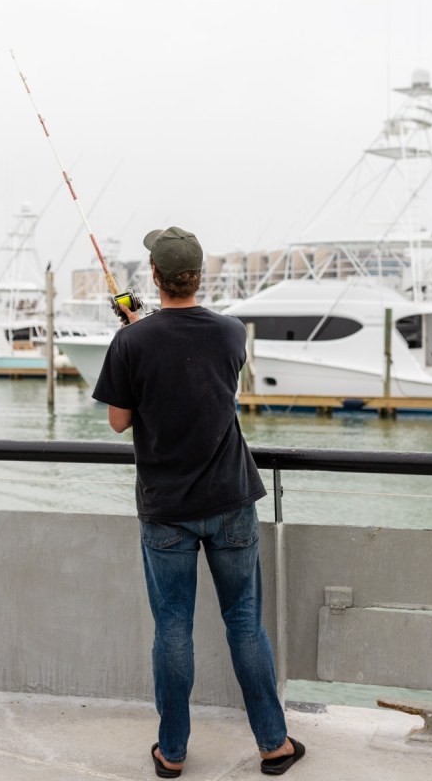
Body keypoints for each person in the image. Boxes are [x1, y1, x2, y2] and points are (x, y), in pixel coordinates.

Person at [92, 226, 305, 777]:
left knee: (172, 628)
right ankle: (274, 743)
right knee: (244, 622)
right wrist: (146, 335)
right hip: (232, 498)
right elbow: (196, 366)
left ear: (155, 278)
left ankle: (174, 752)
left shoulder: (130, 343)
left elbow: (119, 422)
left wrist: (135, 334)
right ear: (199, 275)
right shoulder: (232, 333)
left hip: (166, 509)